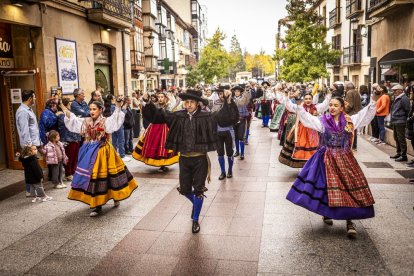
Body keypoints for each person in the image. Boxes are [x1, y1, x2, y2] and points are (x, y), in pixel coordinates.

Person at [142, 89, 238, 233]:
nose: (188, 105)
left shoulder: (207, 116)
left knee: (198, 189)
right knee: (185, 189)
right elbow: (158, 116)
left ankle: (195, 219)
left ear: (197, 103)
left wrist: (229, 101)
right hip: (184, 160)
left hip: (200, 160)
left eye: (191, 102)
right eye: (186, 102)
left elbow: (226, 117)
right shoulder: (178, 116)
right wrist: (147, 102)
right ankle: (196, 203)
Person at [285, 96, 377, 237]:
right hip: (326, 158)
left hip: (345, 158)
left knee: (349, 188)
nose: (332, 108)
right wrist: (298, 107)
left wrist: (373, 102)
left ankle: (350, 221)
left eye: (335, 105)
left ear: (341, 108)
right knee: (327, 187)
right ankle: (327, 212)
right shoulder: (322, 121)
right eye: (330, 105)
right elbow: (307, 118)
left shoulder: (350, 121)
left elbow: (365, 114)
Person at [60, 98, 138, 217]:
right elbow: (72, 119)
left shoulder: (105, 121)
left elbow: (116, 118)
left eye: (94, 109)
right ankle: (97, 204)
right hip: (87, 151)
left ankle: (114, 196)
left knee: (107, 176)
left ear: (101, 110)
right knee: (91, 177)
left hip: (103, 152)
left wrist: (117, 105)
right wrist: (62, 107)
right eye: (90, 109)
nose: (91, 111)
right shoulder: (85, 121)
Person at [133, 92, 179, 172]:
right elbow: (148, 114)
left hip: (165, 128)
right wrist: (147, 102)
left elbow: (171, 117)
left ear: (165, 98)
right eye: (159, 97)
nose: (160, 98)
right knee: (155, 146)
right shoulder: (154, 106)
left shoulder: (168, 106)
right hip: (154, 128)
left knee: (164, 147)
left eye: (162, 97)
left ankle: (163, 164)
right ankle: (157, 162)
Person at [208, 87, 238, 180]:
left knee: (229, 152)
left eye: (223, 94)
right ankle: (223, 172)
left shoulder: (231, 103)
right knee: (220, 153)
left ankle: (230, 170)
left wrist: (229, 102)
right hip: (218, 133)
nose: (222, 96)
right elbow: (212, 117)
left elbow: (235, 117)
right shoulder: (215, 103)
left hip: (228, 131)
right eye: (220, 94)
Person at [16, 90, 41, 196]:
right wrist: (29, 146)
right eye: (34, 97)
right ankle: (29, 190)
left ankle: (32, 189)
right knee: (30, 168)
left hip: (33, 144)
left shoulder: (28, 110)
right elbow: (24, 130)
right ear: (30, 98)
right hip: (29, 146)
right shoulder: (23, 111)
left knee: (31, 168)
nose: (35, 99)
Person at [57, 98, 81, 181]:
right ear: (66, 105)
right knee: (69, 158)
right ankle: (68, 173)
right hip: (68, 139)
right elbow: (69, 120)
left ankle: (73, 172)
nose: (70, 106)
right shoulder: (61, 115)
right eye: (69, 104)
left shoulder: (69, 114)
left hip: (75, 138)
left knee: (75, 157)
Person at [390, 84, 410, 162]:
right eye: (393, 90)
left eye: (395, 90)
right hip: (396, 120)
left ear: (400, 90)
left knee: (401, 138)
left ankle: (403, 155)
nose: (394, 92)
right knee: (396, 138)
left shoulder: (404, 98)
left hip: (400, 121)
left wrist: (405, 119)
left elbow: (407, 110)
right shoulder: (398, 97)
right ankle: (398, 153)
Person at [232, 85, 251, 160]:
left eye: (238, 91)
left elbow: (248, 98)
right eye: (235, 91)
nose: (236, 93)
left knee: (241, 137)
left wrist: (246, 91)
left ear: (240, 92)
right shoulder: (231, 99)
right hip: (234, 120)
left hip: (242, 119)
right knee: (236, 137)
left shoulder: (244, 99)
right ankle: (237, 151)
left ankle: (242, 153)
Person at [344, 82, 362, 150]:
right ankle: (354, 145)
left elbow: (350, 105)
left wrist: (344, 111)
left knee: (350, 130)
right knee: (354, 130)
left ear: (348, 88)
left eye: (346, 88)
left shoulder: (349, 93)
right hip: (356, 113)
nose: (345, 90)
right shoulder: (356, 92)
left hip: (351, 114)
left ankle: (352, 145)